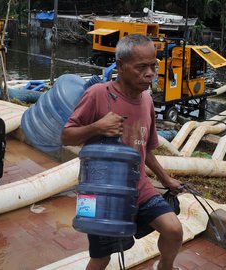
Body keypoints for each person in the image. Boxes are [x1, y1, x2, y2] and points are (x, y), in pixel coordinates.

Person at [61, 34, 184, 270]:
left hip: (138, 185)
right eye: (141, 67)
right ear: (120, 65)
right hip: (101, 191)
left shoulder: (147, 100)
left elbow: (144, 147)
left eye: (153, 66)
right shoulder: (98, 94)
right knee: (101, 257)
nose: (150, 73)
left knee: (173, 229)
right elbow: (66, 135)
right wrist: (97, 127)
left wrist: (165, 179)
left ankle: (164, 267)